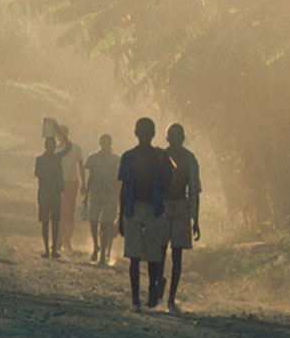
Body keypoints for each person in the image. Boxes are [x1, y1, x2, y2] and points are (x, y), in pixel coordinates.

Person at [118, 116, 170, 310]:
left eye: (147, 133)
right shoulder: (129, 157)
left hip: (152, 208)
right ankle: (138, 299)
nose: (144, 136)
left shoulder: (160, 157)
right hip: (135, 207)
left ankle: (147, 295)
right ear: (137, 134)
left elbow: (168, 182)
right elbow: (123, 189)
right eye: (142, 133)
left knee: (151, 257)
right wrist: (121, 215)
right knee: (137, 257)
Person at [163, 122, 202, 313]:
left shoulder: (189, 158)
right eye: (172, 136)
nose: (175, 139)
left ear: (183, 138)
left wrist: (195, 219)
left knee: (177, 255)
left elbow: (194, 190)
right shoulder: (160, 157)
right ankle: (159, 288)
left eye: (178, 136)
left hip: (180, 206)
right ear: (167, 138)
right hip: (162, 206)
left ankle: (171, 298)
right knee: (159, 253)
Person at [83, 133, 122, 265]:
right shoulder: (93, 158)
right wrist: (86, 194)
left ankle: (103, 255)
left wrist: (119, 196)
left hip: (110, 194)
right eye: (103, 142)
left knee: (106, 225)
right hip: (96, 192)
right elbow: (90, 177)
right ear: (100, 143)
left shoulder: (116, 160)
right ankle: (96, 246)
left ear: (110, 144)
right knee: (93, 221)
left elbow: (119, 180)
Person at [56, 122, 86, 256]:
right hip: (58, 183)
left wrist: (83, 182)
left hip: (71, 183)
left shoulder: (75, 148)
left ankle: (67, 240)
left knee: (69, 212)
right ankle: (58, 240)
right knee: (58, 212)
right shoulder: (55, 149)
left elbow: (80, 166)